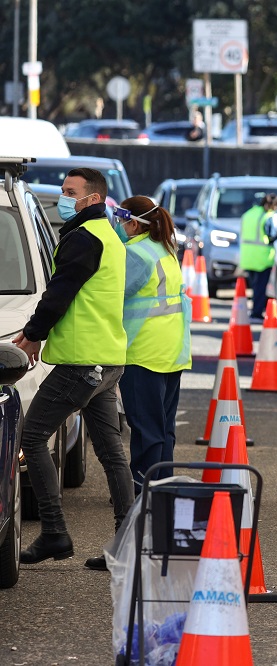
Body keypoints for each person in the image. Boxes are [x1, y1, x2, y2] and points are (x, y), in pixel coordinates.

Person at [12, 167, 134, 569]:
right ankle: (127, 543)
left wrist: (32, 334)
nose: (64, 198)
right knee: (112, 454)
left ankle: (53, 532)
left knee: (31, 437)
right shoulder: (109, 236)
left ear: (92, 199)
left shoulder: (83, 239)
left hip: (83, 362)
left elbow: (59, 293)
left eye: (70, 192)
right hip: (108, 360)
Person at [114, 197, 192, 493]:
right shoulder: (165, 249)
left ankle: (142, 488)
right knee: (162, 427)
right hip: (171, 350)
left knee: (146, 428)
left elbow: (113, 294)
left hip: (143, 351)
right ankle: (161, 486)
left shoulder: (135, 254)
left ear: (134, 223)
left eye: (121, 220)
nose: (119, 226)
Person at [239, 193, 277, 322]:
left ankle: (254, 311)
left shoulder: (248, 214)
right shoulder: (270, 217)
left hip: (248, 256)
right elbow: (273, 234)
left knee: (254, 286)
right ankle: (256, 313)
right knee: (260, 288)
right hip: (262, 258)